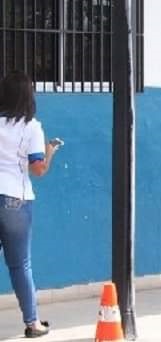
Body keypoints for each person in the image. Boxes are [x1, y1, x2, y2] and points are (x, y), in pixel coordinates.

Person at [0, 71, 59, 338]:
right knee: (19, 265)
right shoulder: (31, 127)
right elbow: (38, 169)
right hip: (16, 199)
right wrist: (49, 152)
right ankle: (32, 323)